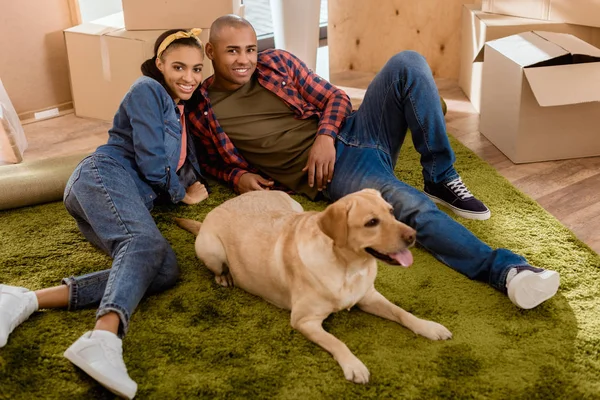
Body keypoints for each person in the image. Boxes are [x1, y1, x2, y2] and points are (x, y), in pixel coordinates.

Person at [188, 15, 560, 311]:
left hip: (353, 131)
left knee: (408, 63)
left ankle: (441, 175)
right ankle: (508, 270)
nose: (244, 60)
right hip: (339, 173)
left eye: (250, 49)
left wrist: (325, 136)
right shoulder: (200, 109)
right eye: (233, 51)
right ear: (210, 51)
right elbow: (206, 160)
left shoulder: (278, 63)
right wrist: (237, 175)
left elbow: (335, 98)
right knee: (410, 207)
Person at [0, 29, 209, 399]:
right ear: (159, 64)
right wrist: (180, 194)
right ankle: (103, 336)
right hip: (103, 175)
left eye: (196, 69)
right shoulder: (148, 90)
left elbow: (178, 162)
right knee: (142, 242)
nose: (188, 77)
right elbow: (150, 161)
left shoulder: (181, 115)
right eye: (178, 66)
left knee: (163, 270)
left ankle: (24, 299)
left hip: (115, 195)